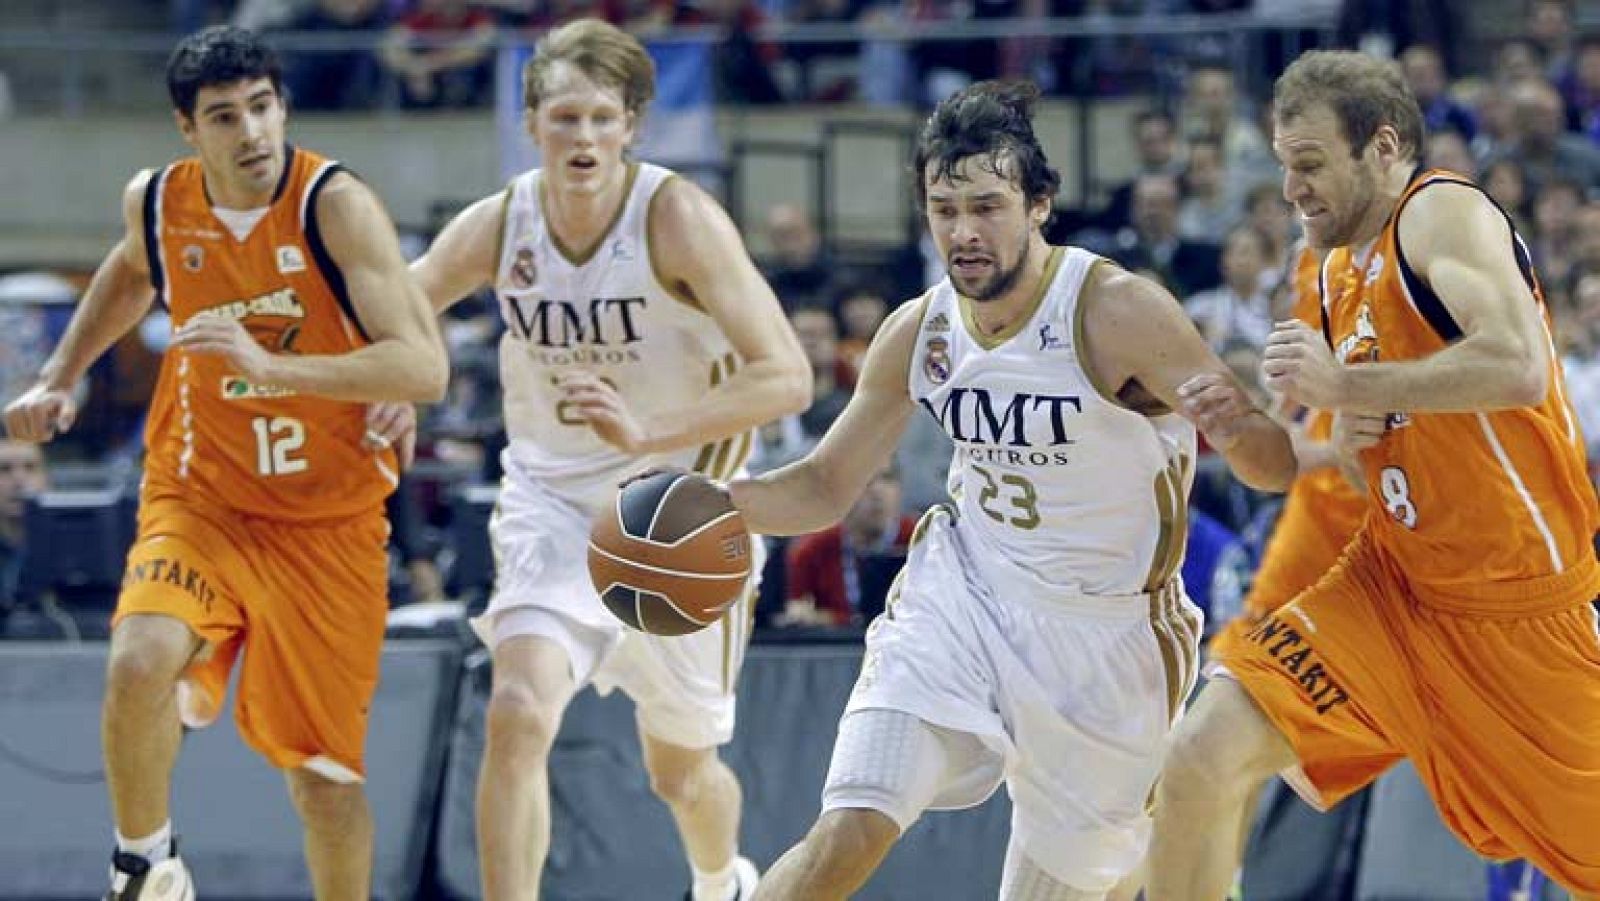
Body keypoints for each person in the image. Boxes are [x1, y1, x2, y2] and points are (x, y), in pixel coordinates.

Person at [725, 80, 1294, 901]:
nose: (963, 231)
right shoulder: (918, 329)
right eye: (943, 207)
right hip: (963, 601)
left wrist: (1239, 427)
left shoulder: (1117, 311)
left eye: (987, 206)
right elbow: (823, 484)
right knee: (846, 829)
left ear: (1039, 206)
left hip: (1107, 641)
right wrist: (718, 498)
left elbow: (1275, 468)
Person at [1, 26, 447, 901]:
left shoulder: (335, 205)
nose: (251, 132)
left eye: (263, 107)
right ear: (187, 128)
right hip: (201, 494)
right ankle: (145, 864)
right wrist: (61, 375)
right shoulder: (159, 203)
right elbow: (133, 273)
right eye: (224, 115)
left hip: (328, 521)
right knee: (136, 662)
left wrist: (279, 368)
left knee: (323, 782)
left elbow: (424, 368)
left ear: (283, 107)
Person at [1149, 50, 1600, 899]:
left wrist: (1351, 388)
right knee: (1198, 758)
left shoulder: (1440, 212)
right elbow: (1310, 466)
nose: (1293, 190)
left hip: (1519, 612)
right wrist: (1246, 423)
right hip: (1391, 588)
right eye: (1286, 168)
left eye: (1312, 164)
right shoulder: (1325, 271)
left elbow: (1518, 364)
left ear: (1383, 146)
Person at [399, 18, 810, 901]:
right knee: (515, 713)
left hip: (678, 509)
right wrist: (395, 381)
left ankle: (720, 879)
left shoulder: (678, 219)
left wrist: (648, 431)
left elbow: (789, 376)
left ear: (631, 126)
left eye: (599, 119)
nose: (582, 137)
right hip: (550, 498)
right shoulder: (500, 223)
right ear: (531, 124)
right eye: (563, 118)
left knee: (681, 771)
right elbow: (401, 307)